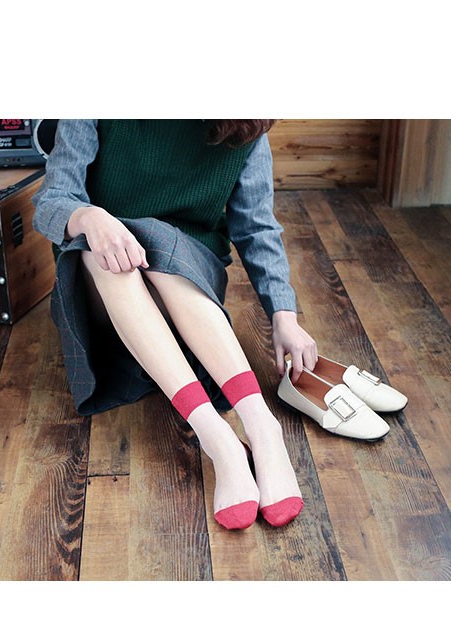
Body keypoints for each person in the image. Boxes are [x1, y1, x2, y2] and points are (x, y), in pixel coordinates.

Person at [32, 119, 317, 530]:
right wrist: (89, 218)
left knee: (156, 240)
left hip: (188, 279)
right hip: (105, 291)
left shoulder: (245, 118)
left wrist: (284, 317)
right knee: (104, 253)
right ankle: (217, 438)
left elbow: (256, 227)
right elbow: (51, 199)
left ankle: (262, 426)